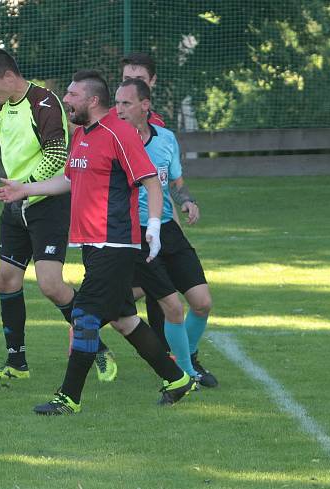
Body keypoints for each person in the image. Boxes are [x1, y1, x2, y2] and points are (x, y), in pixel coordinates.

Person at [0, 70, 196, 415]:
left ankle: (68, 397)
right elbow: (69, 181)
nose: (66, 101)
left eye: (72, 96)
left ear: (91, 100)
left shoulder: (119, 134)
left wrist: (152, 227)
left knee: (85, 317)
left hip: (116, 243)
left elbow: (151, 182)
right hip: (93, 244)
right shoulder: (81, 135)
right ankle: (177, 380)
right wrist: (25, 189)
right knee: (124, 320)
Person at [0, 47, 118, 384]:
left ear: (8, 76)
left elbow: (57, 154)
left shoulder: (45, 103)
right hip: (15, 205)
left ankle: (99, 347)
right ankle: (16, 363)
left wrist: (25, 187)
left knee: (51, 286)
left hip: (47, 205)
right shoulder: (3, 111)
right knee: (6, 279)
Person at [115, 79, 217, 387]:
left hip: (168, 230)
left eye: (126, 104)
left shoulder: (167, 139)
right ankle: (187, 372)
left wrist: (188, 201)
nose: (119, 110)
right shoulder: (115, 143)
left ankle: (183, 359)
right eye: (116, 104)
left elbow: (176, 182)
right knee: (169, 306)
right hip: (137, 234)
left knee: (202, 302)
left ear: (145, 105)